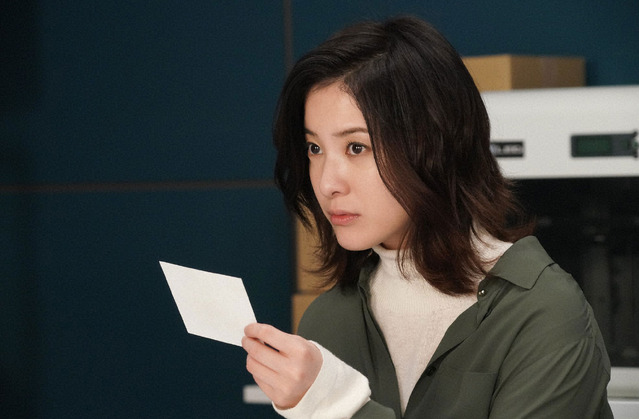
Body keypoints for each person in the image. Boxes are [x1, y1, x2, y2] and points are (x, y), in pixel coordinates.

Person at [242, 15, 613, 418]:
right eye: (314, 149)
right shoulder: (328, 321)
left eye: (356, 148)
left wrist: (337, 403)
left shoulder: (544, 312)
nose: (328, 182)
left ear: (435, 146)